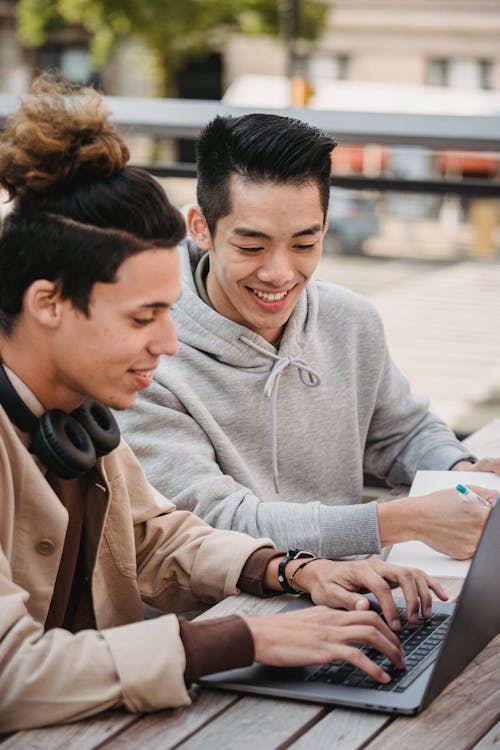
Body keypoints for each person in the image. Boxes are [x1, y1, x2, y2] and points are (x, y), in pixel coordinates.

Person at [0, 78, 451, 732]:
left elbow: (156, 538)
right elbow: (11, 673)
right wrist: (246, 640)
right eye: (145, 316)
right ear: (48, 303)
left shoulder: (77, 413)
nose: (169, 340)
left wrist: (293, 571)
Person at [117, 112, 499, 561]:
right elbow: (213, 523)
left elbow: (402, 432)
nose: (280, 274)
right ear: (201, 227)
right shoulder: (147, 356)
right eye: (251, 246)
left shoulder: (350, 319)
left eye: (304, 244)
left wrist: (461, 472)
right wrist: (404, 520)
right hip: (222, 611)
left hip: (354, 587)